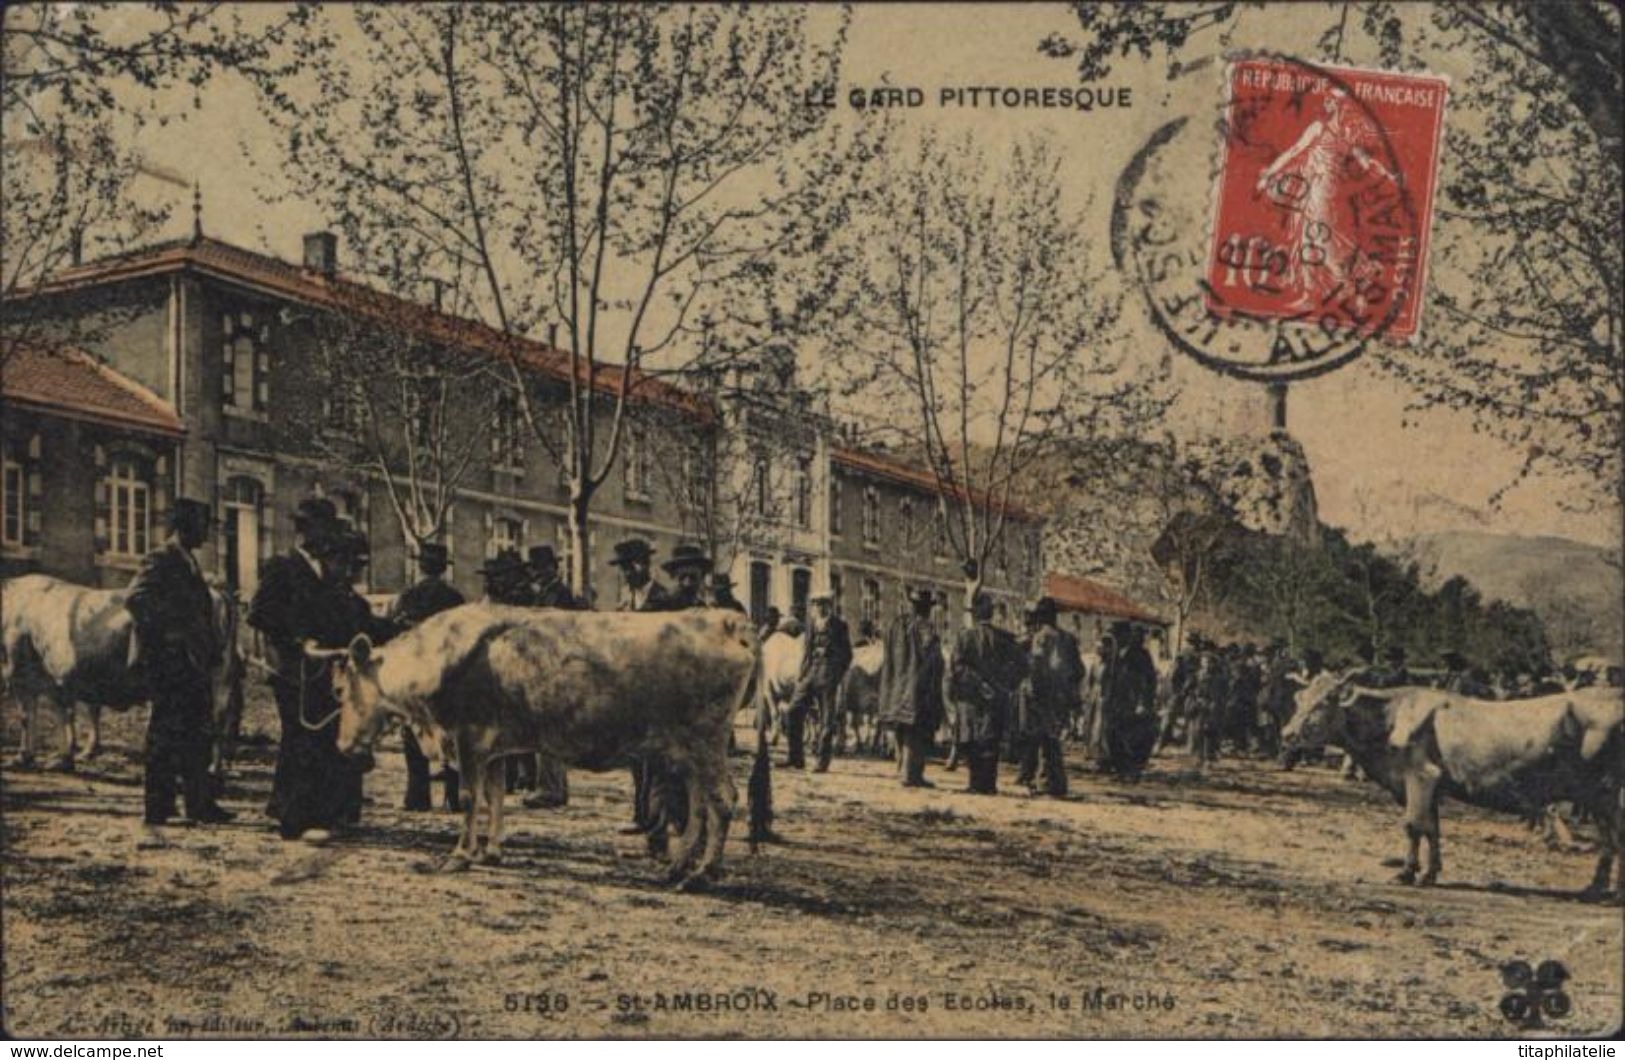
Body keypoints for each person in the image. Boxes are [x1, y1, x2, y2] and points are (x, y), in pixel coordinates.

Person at [250, 498, 366, 844]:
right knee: (299, 738)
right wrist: (297, 641)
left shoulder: (323, 571)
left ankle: (315, 813)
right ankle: (292, 818)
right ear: (305, 531)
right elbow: (259, 613)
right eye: (323, 529)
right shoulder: (282, 567)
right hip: (293, 668)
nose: (328, 537)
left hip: (321, 667)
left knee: (319, 738)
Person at [126, 498, 234, 826]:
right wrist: (172, 634)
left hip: (193, 663)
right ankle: (158, 809)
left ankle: (200, 804)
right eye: (203, 524)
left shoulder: (188, 560)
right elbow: (135, 598)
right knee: (165, 733)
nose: (207, 532)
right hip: (169, 663)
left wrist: (207, 645)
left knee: (197, 733)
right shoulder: (161, 558)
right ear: (185, 526)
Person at [611, 538, 681, 855]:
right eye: (624, 567)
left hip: (660, 691)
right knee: (637, 761)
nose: (628, 572)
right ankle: (642, 817)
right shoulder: (626, 600)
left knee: (658, 766)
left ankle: (658, 837)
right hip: (632, 692)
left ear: (647, 565)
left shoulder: (663, 600)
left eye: (633, 565)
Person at [389, 542, 464, 812]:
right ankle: (454, 796)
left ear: (419, 566)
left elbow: (394, 636)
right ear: (443, 568)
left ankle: (417, 795)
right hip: (447, 672)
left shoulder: (406, 597)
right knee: (451, 732)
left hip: (415, 670)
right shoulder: (455, 598)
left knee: (413, 730)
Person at [517, 545, 578, 810]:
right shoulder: (545, 593)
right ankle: (553, 786)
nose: (537, 574)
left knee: (549, 728)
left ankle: (551, 788)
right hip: (544, 665)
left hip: (555, 666)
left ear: (552, 568)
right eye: (535, 570)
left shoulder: (559, 595)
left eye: (541, 569)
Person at [949, 592, 1026, 795]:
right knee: (991, 740)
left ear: (974, 614)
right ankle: (988, 784)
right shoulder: (1006, 639)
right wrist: (1005, 686)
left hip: (971, 699)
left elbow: (956, 667)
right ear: (991, 614)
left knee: (973, 739)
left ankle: (975, 783)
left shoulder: (964, 637)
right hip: (996, 698)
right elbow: (1022, 666)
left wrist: (977, 684)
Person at [876, 588, 945, 789]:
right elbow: (932, 657)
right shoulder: (925, 627)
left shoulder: (895, 624)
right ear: (926, 609)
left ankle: (901, 769)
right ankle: (911, 774)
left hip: (895, 686)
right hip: (917, 687)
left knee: (900, 727)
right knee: (916, 731)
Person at [1015, 597, 1081, 797]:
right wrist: (1068, 688)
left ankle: (1046, 782)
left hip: (1041, 694)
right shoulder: (1069, 639)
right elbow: (1079, 670)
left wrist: (1033, 689)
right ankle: (1056, 782)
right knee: (1052, 738)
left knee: (1041, 738)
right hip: (1060, 697)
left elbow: (1036, 666)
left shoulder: (1041, 638)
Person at [786, 591, 853, 773]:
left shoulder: (839, 626)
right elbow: (806, 651)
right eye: (815, 604)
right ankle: (796, 758)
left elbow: (847, 655)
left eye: (822, 604)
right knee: (793, 710)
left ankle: (822, 761)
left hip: (828, 674)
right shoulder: (811, 623)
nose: (818, 608)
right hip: (810, 672)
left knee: (826, 719)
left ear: (829, 606)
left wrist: (835, 674)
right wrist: (802, 673)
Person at [1101, 623, 1159, 778]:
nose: (1116, 639)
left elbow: (1149, 680)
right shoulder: (1115, 653)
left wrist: (1143, 702)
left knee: (1131, 736)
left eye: (1118, 636)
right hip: (1115, 701)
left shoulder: (1141, 655)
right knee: (1113, 734)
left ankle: (1131, 770)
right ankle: (1121, 769)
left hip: (1132, 701)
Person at [527, 545, 581, 611]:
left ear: (551, 568)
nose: (534, 574)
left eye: (540, 568)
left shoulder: (561, 592)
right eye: (534, 569)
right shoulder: (538, 591)